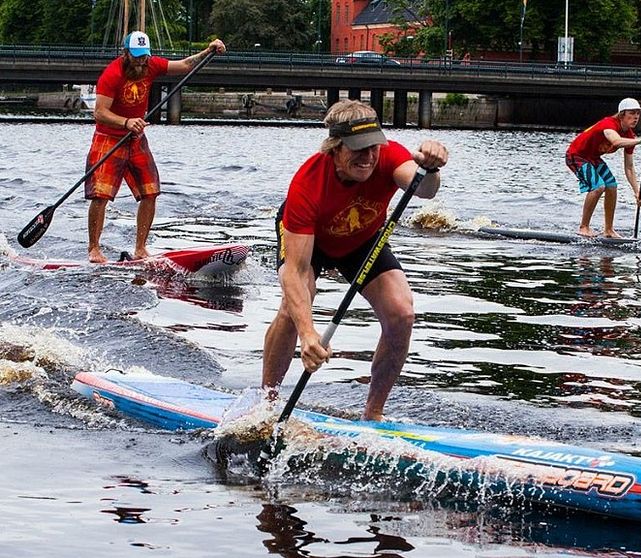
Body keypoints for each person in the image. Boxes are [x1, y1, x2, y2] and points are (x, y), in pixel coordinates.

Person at [262, 100, 448, 421]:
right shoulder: (307, 185)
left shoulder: (388, 157)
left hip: (361, 240)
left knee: (401, 313)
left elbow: (425, 191)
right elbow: (293, 272)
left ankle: (373, 414)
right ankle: (266, 402)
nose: (368, 157)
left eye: (373, 147)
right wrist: (308, 335)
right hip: (312, 242)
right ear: (334, 148)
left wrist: (431, 168)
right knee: (294, 309)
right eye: (358, 150)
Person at [85, 31, 226, 263]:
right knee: (100, 195)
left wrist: (208, 51)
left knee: (150, 192)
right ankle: (94, 249)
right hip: (109, 137)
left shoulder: (152, 65)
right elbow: (99, 112)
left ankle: (140, 249)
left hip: (136, 139)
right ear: (126, 53)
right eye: (137, 56)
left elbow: (183, 65)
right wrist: (126, 122)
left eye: (144, 56)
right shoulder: (112, 75)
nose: (141, 61)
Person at [565, 97, 641, 238]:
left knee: (611, 185)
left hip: (593, 158)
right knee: (598, 187)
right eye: (632, 113)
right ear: (621, 115)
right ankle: (584, 227)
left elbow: (629, 167)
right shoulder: (608, 124)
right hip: (576, 155)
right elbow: (616, 141)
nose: (636, 117)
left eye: (638, 113)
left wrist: (637, 191)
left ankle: (608, 230)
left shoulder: (630, 136)